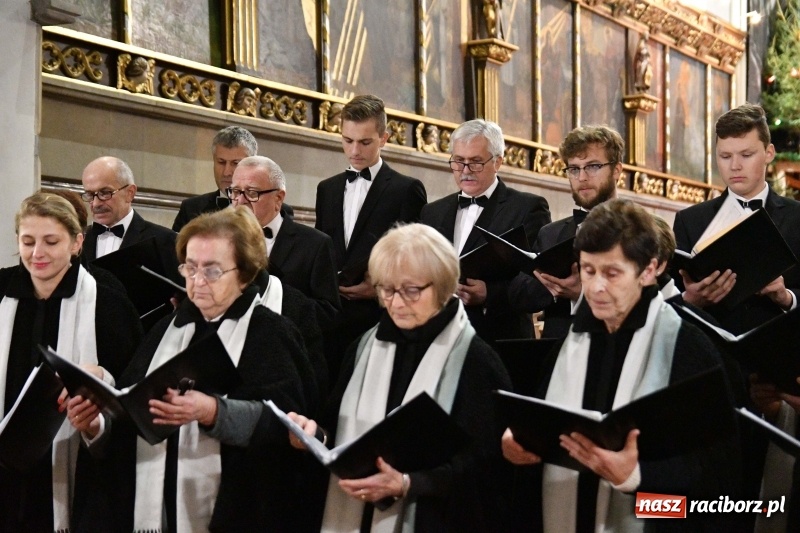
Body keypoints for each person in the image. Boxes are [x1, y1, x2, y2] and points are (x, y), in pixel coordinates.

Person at [501, 199, 743, 532]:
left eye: (612, 273)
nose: (596, 287)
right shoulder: (571, 344)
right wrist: (519, 444)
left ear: (649, 270)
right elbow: (542, 429)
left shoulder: (689, 348)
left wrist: (637, 478)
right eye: (588, 270)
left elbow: (720, 489)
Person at [73, 207, 312, 532]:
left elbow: (289, 430)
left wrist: (213, 411)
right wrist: (96, 425)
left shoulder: (271, 334)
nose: (197, 282)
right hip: (153, 508)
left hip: (235, 511)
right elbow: (132, 415)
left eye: (212, 271)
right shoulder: (166, 328)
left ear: (244, 273)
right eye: (190, 267)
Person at [287, 223, 512, 532]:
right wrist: (315, 436)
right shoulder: (363, 347)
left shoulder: (475, 361)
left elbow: (486, 466)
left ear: (443, 285)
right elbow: (338, 429)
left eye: (411, 290)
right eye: (387, 289)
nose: (395, 302)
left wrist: (409, 483)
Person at [0, 192, 141, 532]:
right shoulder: (1, 290)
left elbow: (133, 388)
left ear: (77, 242)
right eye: (28, 241)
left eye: (51, 242)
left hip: (79, 468)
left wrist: (101, 378)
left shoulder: (107, 303)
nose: (37, 253)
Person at [315, 94, 427, 382]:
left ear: (384, 138)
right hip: (332, 322)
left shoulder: (406, 189)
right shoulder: (327, 189)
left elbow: (414, 260)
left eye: (365, 142)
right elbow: (321, 250)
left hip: (380, 319)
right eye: (347, 140)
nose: (354, 150)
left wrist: (378, 291)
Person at [672, 103, 800, 335]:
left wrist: (786, 297)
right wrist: (692, 300)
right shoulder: (689, 221)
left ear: (769, 153)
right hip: (712, 350)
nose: (735, 166)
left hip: (780, 349)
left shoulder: (796, 217)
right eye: (725, 156)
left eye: (746, 155)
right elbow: (669, 305)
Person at [421, 119, 550, 344]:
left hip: (499, 339)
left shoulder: (527, 208)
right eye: (458, 161)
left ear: (497, 161)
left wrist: (489, 293)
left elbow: (538, 282)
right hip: (440, 336)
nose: (465, 171)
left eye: (476, 162)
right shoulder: (432, 212)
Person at [509, 125, 622, 339]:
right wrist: (554, 284)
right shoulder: (551, 233)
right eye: (574, 169)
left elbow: (652, 300)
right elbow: (519, 294)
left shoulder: (642, 229)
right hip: (558, 350)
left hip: (618, 346)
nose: (582, 177)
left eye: (593, 166)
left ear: (616, 170)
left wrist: (583, 294)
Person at [230, 155, 341, 331]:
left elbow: (328, 316)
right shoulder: (222, 240)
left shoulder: (315, 244)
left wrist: (274, 291)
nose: (241, 201)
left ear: (278, 198)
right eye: (236, 192)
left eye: (252, 193)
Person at [80, 156, 180, 278]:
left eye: (105, 193)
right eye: (90, 195)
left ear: (130, 193)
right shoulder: (77, 240)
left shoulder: (165, 241)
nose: (96, 204)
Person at [172, 126, 257, 232]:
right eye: (221, 162)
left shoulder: (269, 208)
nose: (226, 172)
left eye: (235, 163)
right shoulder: (191, 209)